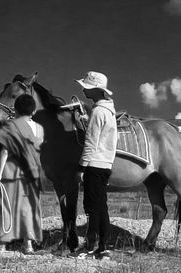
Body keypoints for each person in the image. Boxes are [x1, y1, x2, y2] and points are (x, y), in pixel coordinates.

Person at [0, 94, 44, 254]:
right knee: (28, 208)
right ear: (34, 110)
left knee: (6, 207)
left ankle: (2, 244)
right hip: (31, 174)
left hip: (10, 173)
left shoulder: (10, 127)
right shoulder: (40, 129)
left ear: (15, 110)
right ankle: (28, 244)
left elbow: (4, 151)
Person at [75, 71, 118, 259]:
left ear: (95, 90)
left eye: (86, 87)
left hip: (94, 164)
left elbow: (91, 142)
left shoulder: (98, 111)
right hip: (105, 164)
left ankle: (91, 246)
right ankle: (104, 247)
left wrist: (81, 167)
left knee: (92, 207)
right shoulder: (108, 110)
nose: (83, 90)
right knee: (101, 206)